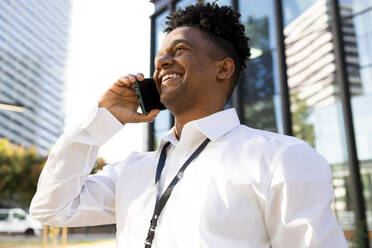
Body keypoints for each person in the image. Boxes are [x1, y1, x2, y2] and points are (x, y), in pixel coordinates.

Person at [30, 3, 348, 247]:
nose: (162, 62)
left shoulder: (281, 158)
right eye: (160, 56)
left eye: (180, 50)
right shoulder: (132, 169)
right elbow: (51, 209)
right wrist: (100, 122)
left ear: (223, 68)